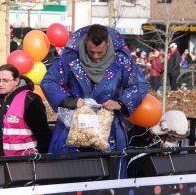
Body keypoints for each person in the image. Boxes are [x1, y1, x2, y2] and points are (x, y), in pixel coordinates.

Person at [40, 24, 149, 178]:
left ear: (108, 44)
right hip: (72, 129)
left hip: (109, 130)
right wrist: (69, 101)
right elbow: (48, 81)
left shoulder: (121, 60)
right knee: (68, 174)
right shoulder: (70, 58)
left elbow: (140, 84)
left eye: (100, 52)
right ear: (85, 43)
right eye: (91, 52)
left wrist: (121, 102)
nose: (96, 56)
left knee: (109, 177)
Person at [0, 64, 52, 156]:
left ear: (16, 81)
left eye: (5, 80)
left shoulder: (29, 99)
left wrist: (40, 161)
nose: (0, 84)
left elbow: (43, 135)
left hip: (24, 161)